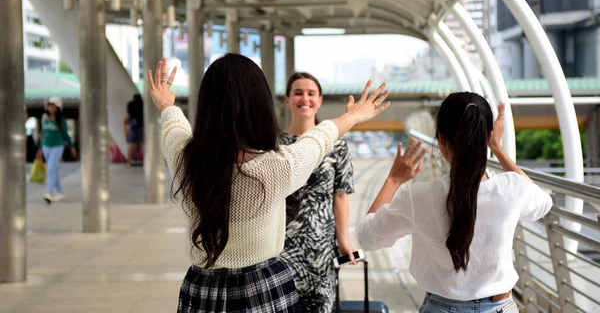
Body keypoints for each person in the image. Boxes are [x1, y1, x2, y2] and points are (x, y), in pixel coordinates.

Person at [147, 55, 390, 313]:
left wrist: (166, 105)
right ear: (261, 105)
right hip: (264, 288)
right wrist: (352, 117)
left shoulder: (186, 161)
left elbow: (175, 129)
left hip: (202, 289)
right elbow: (319, 138)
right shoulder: (276, 168)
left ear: (206, 104)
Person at [357, 92, 553, 313]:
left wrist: (393, 180)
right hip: (500, 307)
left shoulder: (418, 197)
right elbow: (543, 202)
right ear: (487, 136)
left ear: (441, 140)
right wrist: (497, 149)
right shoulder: (512, 188)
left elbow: (367, 237)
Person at [281, 72, 362, 313]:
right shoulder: (274, 144)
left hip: (322, 250)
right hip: (279, 249)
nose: (304, 98)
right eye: (298, 93)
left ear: (320, 100)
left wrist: (343, 239)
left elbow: (341, 195)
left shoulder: (337, 145)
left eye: (310, 93)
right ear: (287, 100)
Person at [38, 96, 77, 204]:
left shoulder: (61, 120)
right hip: (46, 146)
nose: (51, 107)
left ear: (58, 107)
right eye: (49, 105)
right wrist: (40, 148)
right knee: (53, 170)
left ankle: (48, 193)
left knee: (50, 168)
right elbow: (43, 134)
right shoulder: (44, 118)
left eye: (53, 105)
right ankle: (60, 192)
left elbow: (65, 134)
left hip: (57, 146)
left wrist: (71, 146)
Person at [125, 93, 144, 164]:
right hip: (142, 125)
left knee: (131, 143)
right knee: (142, 143)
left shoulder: (130, 104)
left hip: (133, 125)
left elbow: (129, 115)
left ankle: (129, 161)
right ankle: (144, 161)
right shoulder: (143, 103)